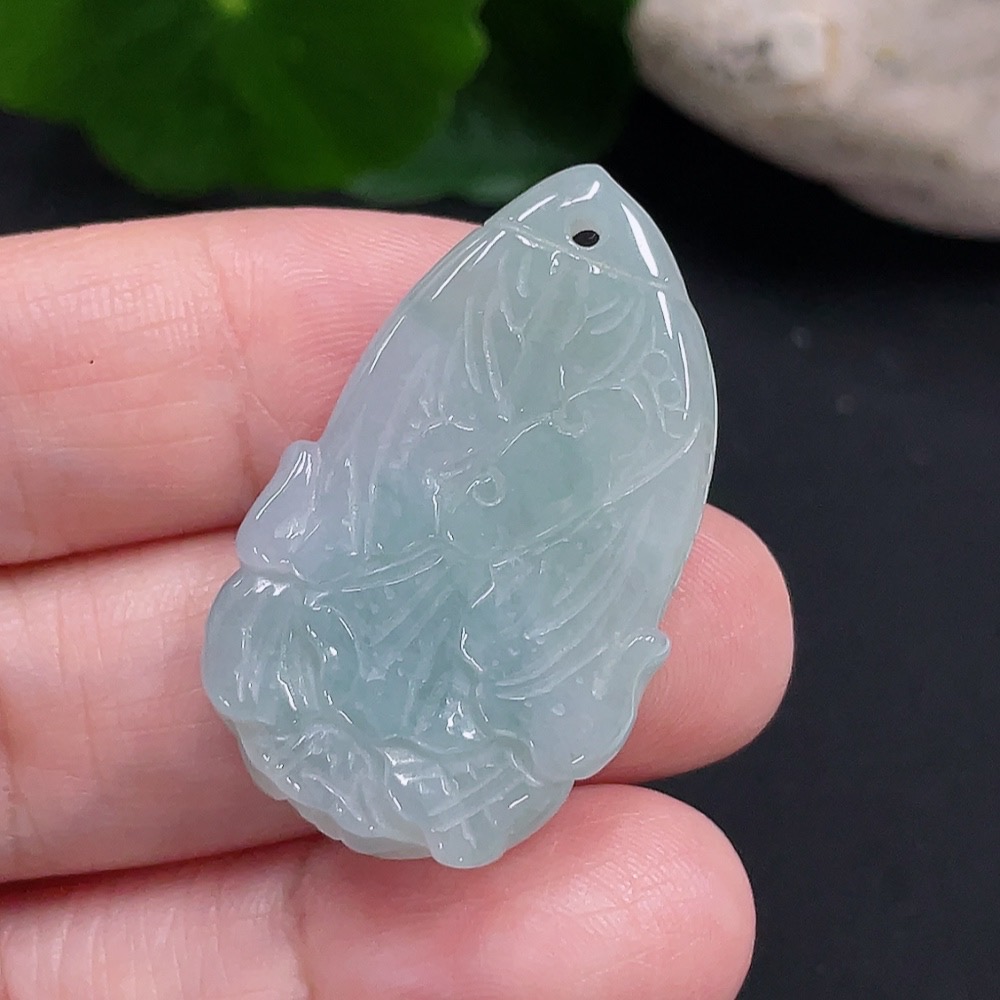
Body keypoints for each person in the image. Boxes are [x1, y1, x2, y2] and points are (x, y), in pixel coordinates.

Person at [0, 208, 793, 999]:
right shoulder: (386, 542)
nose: (484, 490)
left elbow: (540, 731)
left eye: (513, 497)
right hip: (334, 689)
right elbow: (292, 587)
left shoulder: (519, 626)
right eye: (484, 478)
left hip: (429, 758)